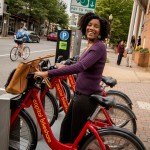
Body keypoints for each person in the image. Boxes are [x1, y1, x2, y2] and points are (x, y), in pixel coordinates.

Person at [34, 12, 110, 144]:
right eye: (89, 24)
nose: (91, 28)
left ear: (101, 30)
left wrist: (47, 73)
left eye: (96, 26)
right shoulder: (91, 46)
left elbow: (80, 67)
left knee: (75, 137)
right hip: (79, 95)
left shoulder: (99, 47)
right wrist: (61, 67)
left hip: (86, 98)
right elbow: (83, 66)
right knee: (65, 128)